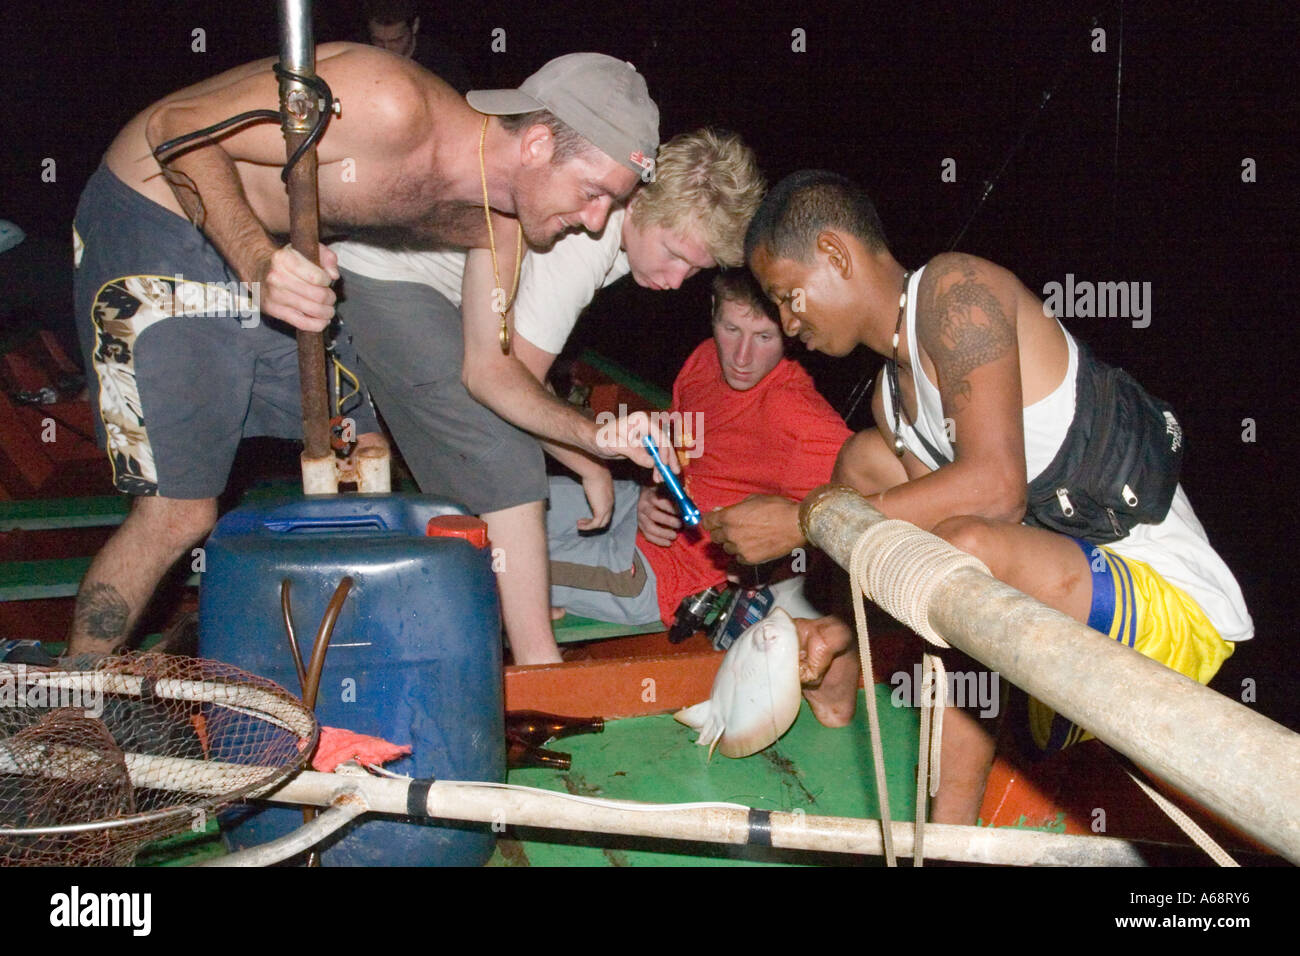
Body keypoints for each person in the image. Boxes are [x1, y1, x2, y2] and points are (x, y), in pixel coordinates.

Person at [68, 45, 665, 656]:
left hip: (271, 255)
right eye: (594, 193)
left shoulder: (498, 222)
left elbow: (490, 370)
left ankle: (349, 662)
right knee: (180, 516)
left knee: (364, 457)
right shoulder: (389, 103)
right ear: (537, 145)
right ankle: (73, 705)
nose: (596, 224)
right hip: (161, 220)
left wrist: (593, 439)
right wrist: (256, 264)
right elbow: (174, 129)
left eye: (612, 206)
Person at [703, 170, 1253, 825]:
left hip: (1165, 616)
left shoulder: (957, 292)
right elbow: (907, 531)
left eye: (789, 297)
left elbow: (996, 489)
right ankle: (846, 664)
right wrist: (846, 621)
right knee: (863, 459)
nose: (790, 324)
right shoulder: (893, 396)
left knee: (965, 545)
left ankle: (950, 827)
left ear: (836, 254)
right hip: (1049, 639)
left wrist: (805, 521)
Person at [332, 128, 766, 663]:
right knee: (505, 458)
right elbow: (499, 378)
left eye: (696, 270)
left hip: (459, 304)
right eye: (676, 255)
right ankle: (539, 663)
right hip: (380, 274)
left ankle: (516, 603)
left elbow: (520, 364)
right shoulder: (587, 244)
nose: (678, 281)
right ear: (639, 199)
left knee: (514, 450)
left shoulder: (623, 234)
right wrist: (591, 457)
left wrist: (588, 460)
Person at [546, 269, 851, 629]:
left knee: (506, 563)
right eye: (731, 329)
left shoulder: (799, 417)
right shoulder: (705, 358)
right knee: (517, 500)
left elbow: (867, 506)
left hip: (659, 575)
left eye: (764, 336)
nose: (741, 356)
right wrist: (650, 491)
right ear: (713, 311)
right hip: (636, 506)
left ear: (790, 328)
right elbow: (682, 443)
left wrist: (776, 562)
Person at [359, 0, 472, 93]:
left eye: (396, 40)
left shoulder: (443, 63)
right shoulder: (358, 55)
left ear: (415, 26)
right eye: (377, 40)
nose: (386, 48)